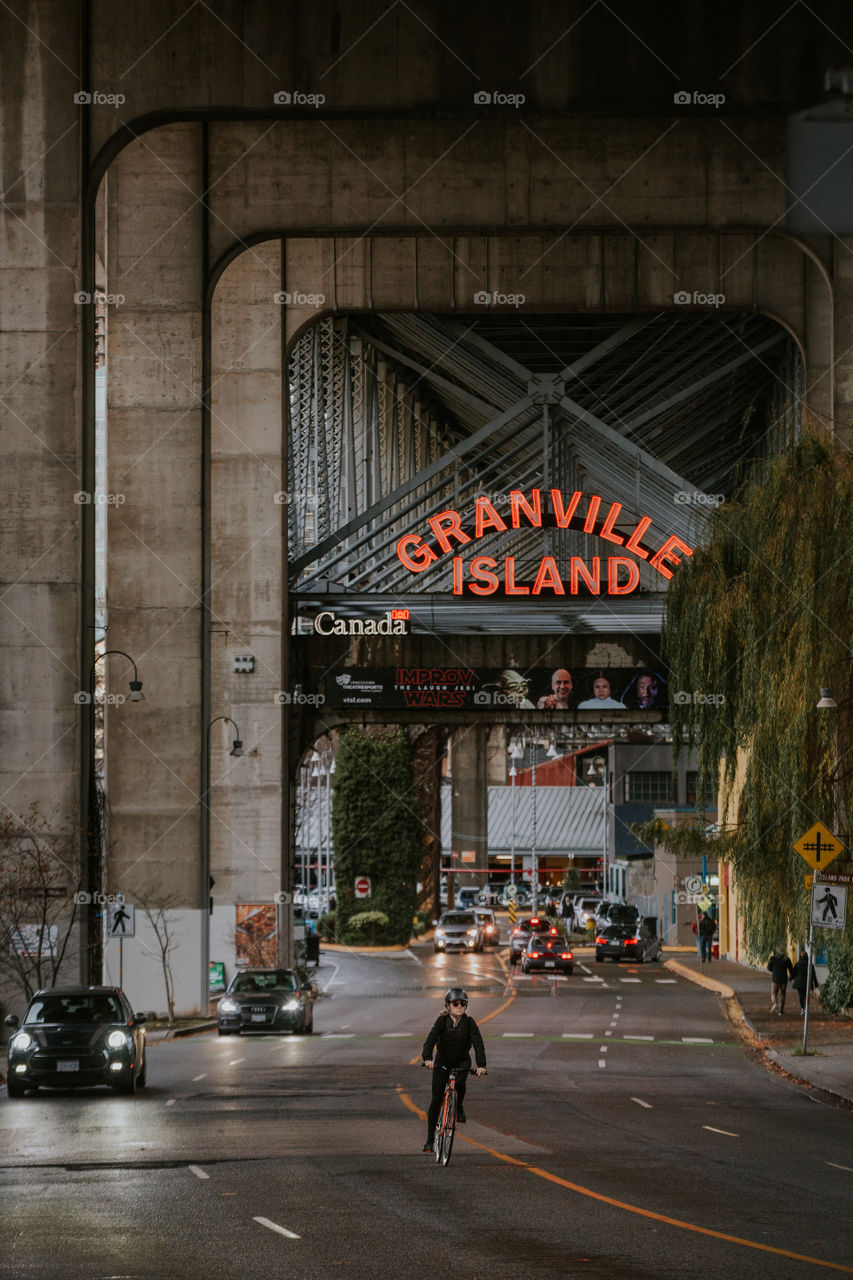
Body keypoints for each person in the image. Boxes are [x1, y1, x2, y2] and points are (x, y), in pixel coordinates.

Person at [421, 987, 487, 1152]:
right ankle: (430, 1140)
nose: (459, 1006)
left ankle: (458, 1106)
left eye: (462, 1003)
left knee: (460, 1083)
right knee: (436, 1100)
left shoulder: (469, 1022)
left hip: (461, 1062)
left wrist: (481, 1065)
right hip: (442, 1063)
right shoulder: (442, 1021)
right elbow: (431, 1039)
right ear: (448, 1005)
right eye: (455, 1003)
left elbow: (478, 1043)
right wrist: (427, 1058)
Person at [790, 946, 819, 1016]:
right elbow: (813, 975)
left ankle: (802, 1008)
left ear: (800, 956)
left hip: (799, 983)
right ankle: (805, 1008)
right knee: (806, 996)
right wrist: (815, 985)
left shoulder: (798, 964)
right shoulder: (810, 965)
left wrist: (790, 978)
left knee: (801, 996)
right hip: (807, 983)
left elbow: (793, 973)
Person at [767, 950, 794, 1015]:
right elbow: (791, 969)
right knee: (782, 994)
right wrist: (791, 977)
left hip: (775, 979)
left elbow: (768, 968)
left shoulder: (772, 958)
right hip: (784, 979)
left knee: (773, 993)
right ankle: (780, 1011)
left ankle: (775, 1003)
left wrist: (774, 970)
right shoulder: (786, 959)